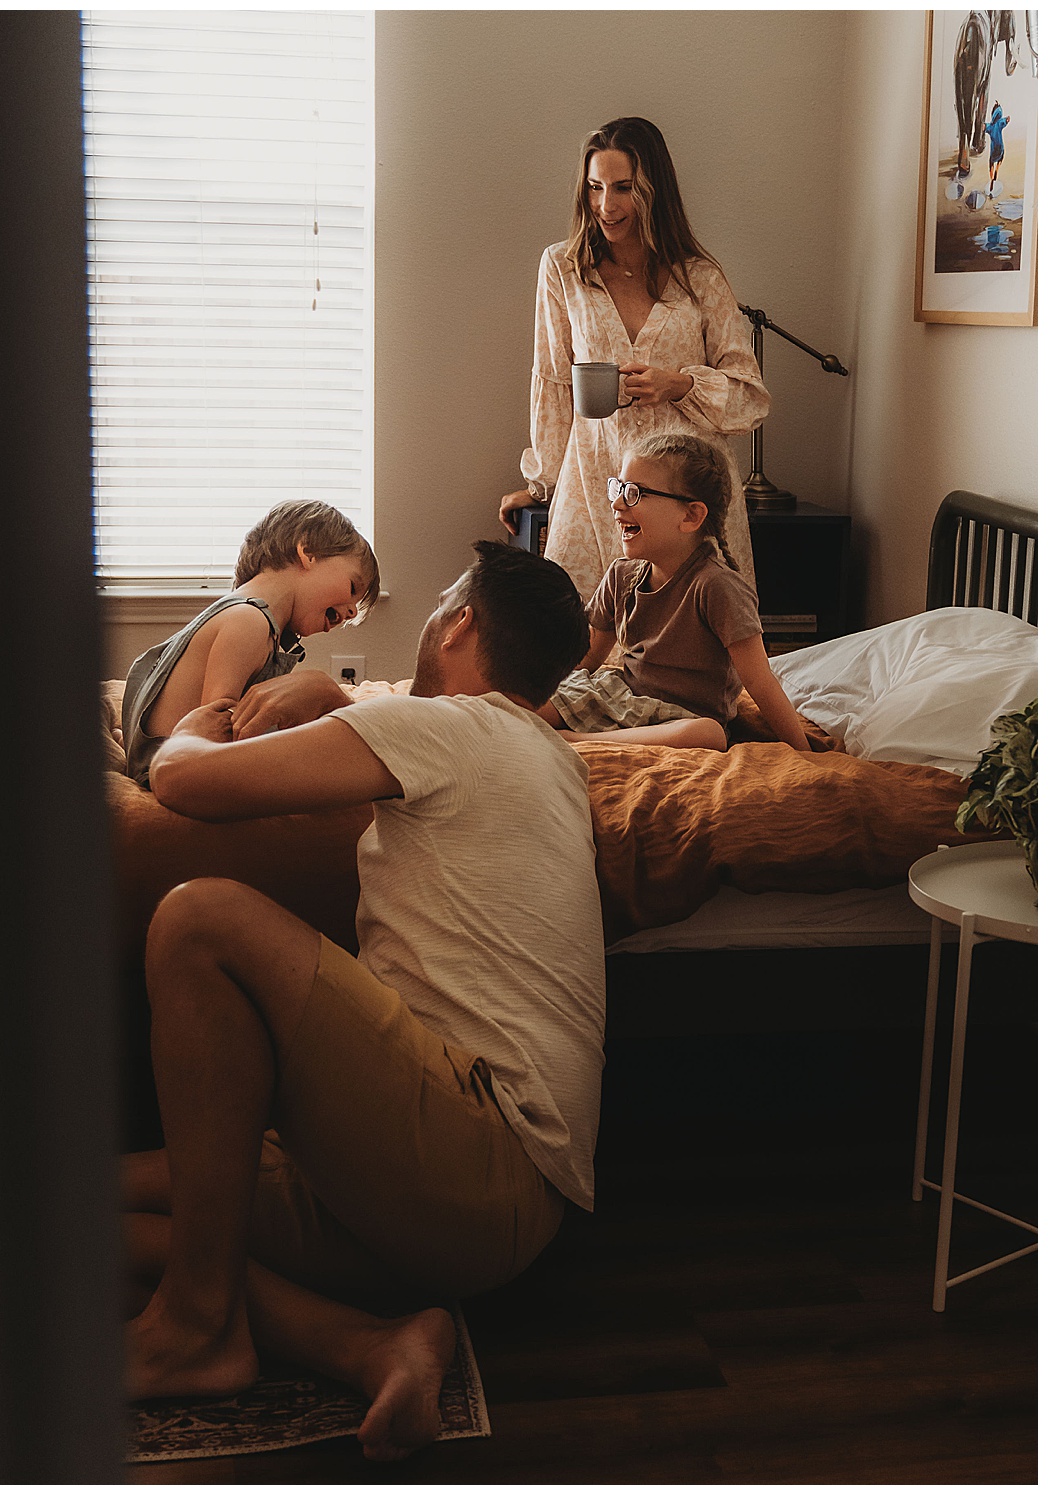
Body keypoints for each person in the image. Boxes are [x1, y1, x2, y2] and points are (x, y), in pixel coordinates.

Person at [123, 541, 604, 1462]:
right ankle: (371, 1345)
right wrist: (336, 703)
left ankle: (194, 1327)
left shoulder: (457, 728)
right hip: (482, 1199)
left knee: (199, 920)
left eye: (438, 606)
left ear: (461, 621)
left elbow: (182, 781)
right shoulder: (548, 757)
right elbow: (407, 745)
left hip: (477, 1155)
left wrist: (207, 716)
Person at [498, 116, 770, 603]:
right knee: (578, 652)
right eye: (595, 187)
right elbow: (555, 385)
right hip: (597, 486)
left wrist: (680, 385)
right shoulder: (564, 268)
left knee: (693, 646)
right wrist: (542, 486)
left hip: (685, 498)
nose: (606, 205)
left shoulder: (700, 278)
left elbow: (749, 400)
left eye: (623, 188)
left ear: (653, 190)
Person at [539, 433, 810, 753]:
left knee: (709, 735)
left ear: (691, 516)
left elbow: (761, 683)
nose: (616, 503)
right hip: (620, 698)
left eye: (635, 493)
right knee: (523, 702)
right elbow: (587, 660)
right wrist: (546, 693)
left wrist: (804, 751)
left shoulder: (718, 588)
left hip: (681, 719)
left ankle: (580, 740)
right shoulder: (621, 576)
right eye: (619, 488)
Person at [120, 500, 381, 786]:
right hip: (174, 771)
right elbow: (218, 731)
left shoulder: (243, 615)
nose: (352, 612)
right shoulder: (250, 620)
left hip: (168, 761)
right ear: (308, 553)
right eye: (353, 587)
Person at [983, 100, 1009, 194]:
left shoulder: (990, 126)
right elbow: (1006, 120)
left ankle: (991, 179)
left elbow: (984, 127)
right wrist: (1007, 119)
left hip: (993, 149)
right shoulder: (1000, 123)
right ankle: (997, 170)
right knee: (1001, 158)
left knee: (991, 163)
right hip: (1000, 147)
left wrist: (983, 126)